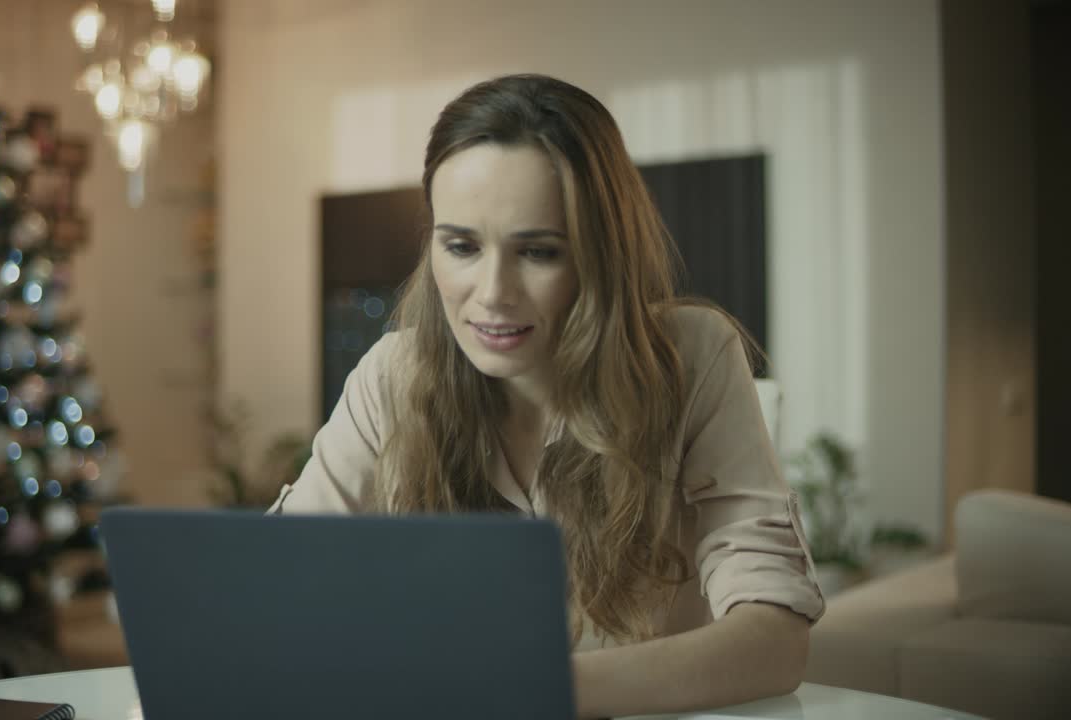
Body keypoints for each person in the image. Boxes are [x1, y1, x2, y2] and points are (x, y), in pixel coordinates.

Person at [269, 74, 824, 718]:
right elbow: (279, 588)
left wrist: (532, 690)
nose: (494, 292)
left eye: (538, 251)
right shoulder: (394, 373)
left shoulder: (692, 355)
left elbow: (776, 642)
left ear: (600, 254)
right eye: (462, 246)